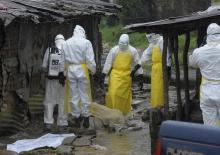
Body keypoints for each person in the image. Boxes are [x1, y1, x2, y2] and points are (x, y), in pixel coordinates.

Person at [60, 25, 96, 128]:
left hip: (70, 69)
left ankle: (76, 117)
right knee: (84, 94)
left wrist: (62, 73)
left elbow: (62, 60)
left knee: (73, 95)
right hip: (82, 69)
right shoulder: (86, 42)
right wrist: (92, 71)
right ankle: (86, 117)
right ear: (82, 33)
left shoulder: (65, 43)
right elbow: (90, 59)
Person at [189, 23, 220, 127]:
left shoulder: (199, 52)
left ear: (207, 36)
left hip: (206, 92)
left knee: (209, 126)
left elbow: (192, 63)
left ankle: (212, 142)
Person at [102, 34, 140, 115]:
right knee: (113, 93)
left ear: (127, 43)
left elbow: (137, 63)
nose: (122, 46)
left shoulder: (133, 51)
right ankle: (113, 111)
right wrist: (104, 74)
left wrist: (139, 74)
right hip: (115, 74)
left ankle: (123, 112)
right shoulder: (114, 50)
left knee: (124, 96)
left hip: (126, 75)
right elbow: (108, 62)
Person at [132, 33, 171, 109]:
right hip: (154, 69)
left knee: (160, 88)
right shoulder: (153, 44)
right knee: (154, 88)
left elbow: (167, 55)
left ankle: (161, 105)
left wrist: (168, 68)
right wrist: (136, 67)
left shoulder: (162, 40)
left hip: (162, 67)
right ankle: (155, 105)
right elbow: (145, 55)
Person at [42, 34, 68, 131]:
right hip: (64, 80)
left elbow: (44, 66)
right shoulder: (68, 50)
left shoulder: (49, 50)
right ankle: (62, 123)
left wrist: (49, 72)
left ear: (55, 41)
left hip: (51, 80)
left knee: (49, 100)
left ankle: (48, 123)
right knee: (63, 101)